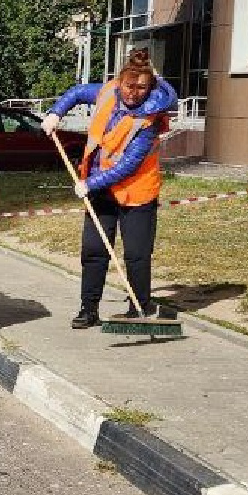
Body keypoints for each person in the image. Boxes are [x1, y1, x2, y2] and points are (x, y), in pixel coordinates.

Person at [41, 47, 179, 328]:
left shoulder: (150, 118)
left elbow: (127, 165)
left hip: (136, 192)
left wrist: (89, 183)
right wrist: (56, 113)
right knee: (93, 249)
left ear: (150, 86)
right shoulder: (107, 92)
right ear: (120, 81)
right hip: (100, 190)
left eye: (141, 87)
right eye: (129, 85)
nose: (134, 93)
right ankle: (88, 309)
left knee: (136, 254)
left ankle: (138, 308)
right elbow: (78, 92)